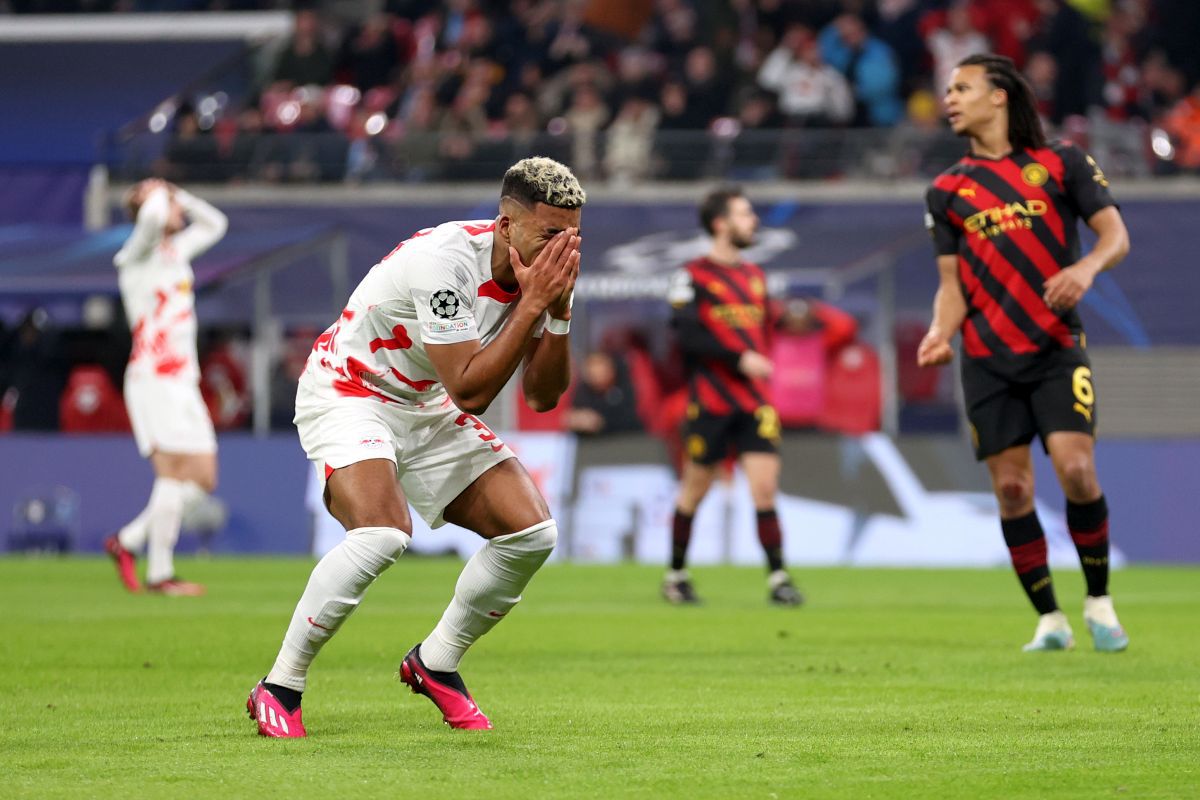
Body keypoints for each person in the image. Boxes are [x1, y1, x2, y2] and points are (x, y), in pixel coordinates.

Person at [247, 157, 583, 738]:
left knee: (532, 534)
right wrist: (532, 305)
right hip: (352, 390)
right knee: (381, 533)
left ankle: (436, 663)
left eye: (574, 234)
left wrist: (556, 314)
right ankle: (280, 685)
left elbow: (544, 395)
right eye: (550, 233)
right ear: (507, 225)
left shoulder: (544, 277)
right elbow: (472, 391)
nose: (563, 247)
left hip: (424, 403)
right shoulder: (444, 264)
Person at [919, 54, 1131, 652]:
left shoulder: (1060, 162)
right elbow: (952, 287)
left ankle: (1099, 601)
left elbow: (1115, 236)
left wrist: (1085, 269)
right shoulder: (945, 190)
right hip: (985, 356)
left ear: (1000, 96)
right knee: (1012, 490)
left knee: (1077, 471)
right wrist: (939, 332)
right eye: (948, 90)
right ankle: (1049, 618)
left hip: (1056, 346)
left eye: (962, 87)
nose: (950, 98)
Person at [661, 186, 804, 608]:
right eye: (745, 214)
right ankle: (676, 575)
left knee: (764, 489)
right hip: (710, 401)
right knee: (695, 489)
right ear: (721, 224)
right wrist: (738, 358)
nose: (754, 220)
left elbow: (763, 333)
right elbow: (685, 335)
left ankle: (779, 577)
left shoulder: (756, 278)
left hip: (755, 402)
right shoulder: (690, 276)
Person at [104, 180, 228, 597]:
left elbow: (216, 224)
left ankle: (130, 541)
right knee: (173, 471)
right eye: (167, 202)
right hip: (153, 378)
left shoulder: (176, 253)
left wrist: (179, 192)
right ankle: (160, 573)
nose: (175, 208)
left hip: (183, 379)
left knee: (203, 477)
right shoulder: (135, 254)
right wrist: (153, 191)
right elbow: (154, 217)